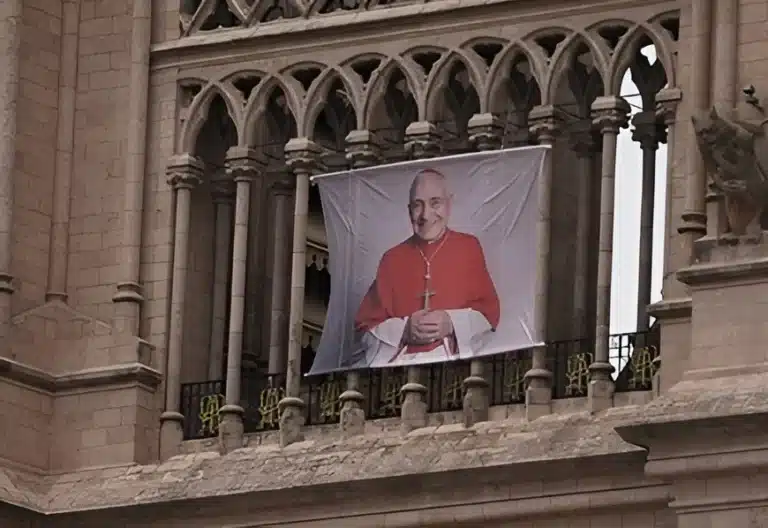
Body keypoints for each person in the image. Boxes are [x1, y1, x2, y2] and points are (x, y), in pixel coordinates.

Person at [353, 168, 500, 368]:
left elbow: (489, 315)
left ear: (449, 203)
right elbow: (365, 328)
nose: (425, 215)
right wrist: (404, 329)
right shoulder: (392, 259)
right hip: (400, 370)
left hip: (454, 365)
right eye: (417, 205)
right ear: (408, 210)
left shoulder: (468, 247)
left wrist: (451, 322)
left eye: (435, 203)